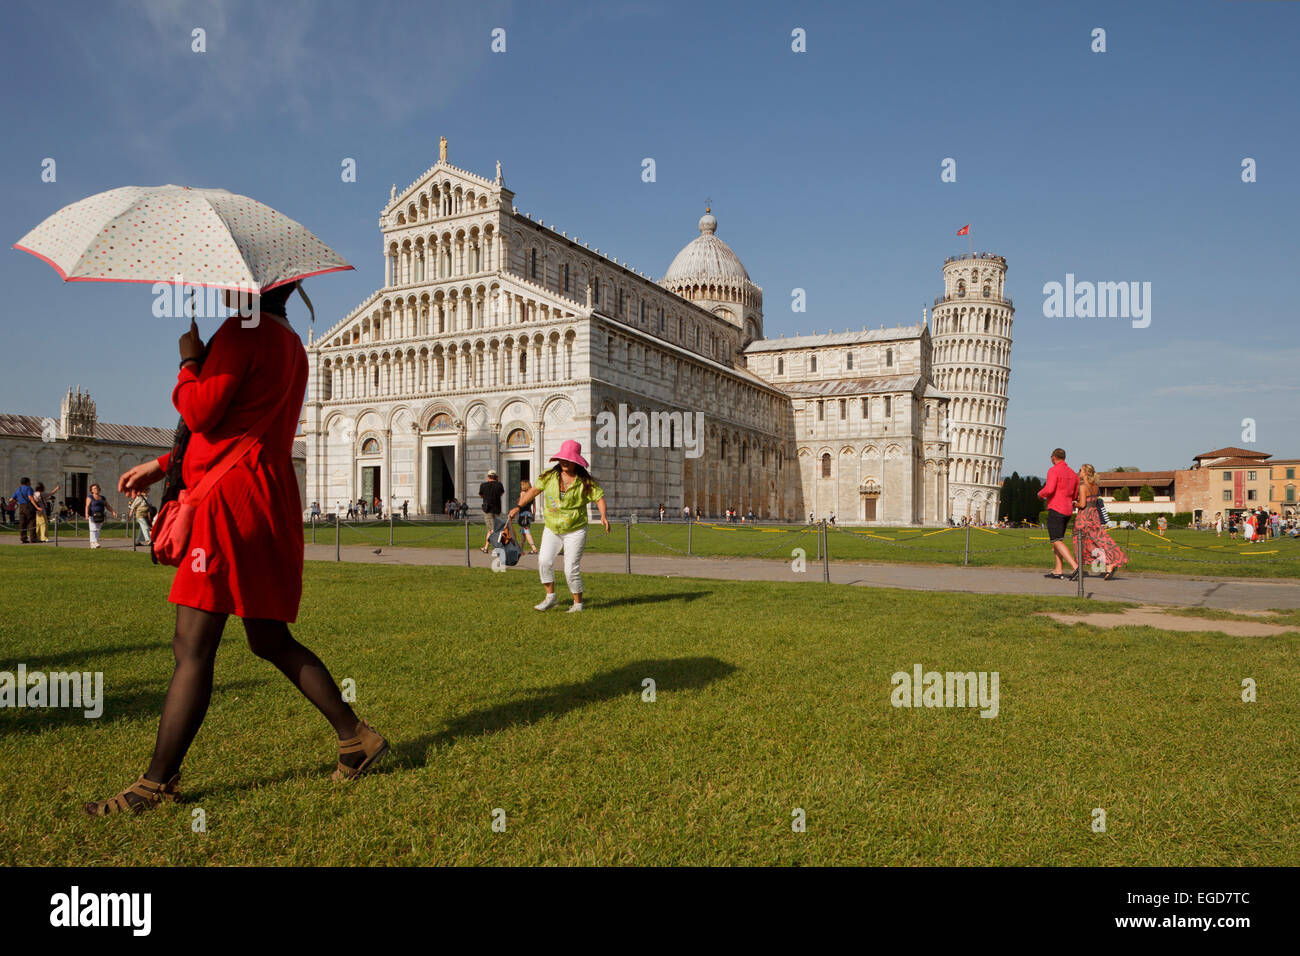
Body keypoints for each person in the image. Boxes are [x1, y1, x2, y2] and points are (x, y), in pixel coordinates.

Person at [84, 287, 387, 817]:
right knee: (268, 636)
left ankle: (153, 784)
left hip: (229, 506)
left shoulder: (242, 330)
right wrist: (162, 464)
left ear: (253, 285)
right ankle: (355, 737)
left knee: (193, 644)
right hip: (267, 500)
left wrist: (188, 361)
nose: (223, 287)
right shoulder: (292, 342)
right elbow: (244, 425)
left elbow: (202, 412)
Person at [508, 440, 609, 613]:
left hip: (575, 529)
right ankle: (550, 597)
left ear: (576, 462)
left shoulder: (584, 482)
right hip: (552, 528)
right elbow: (533, 491)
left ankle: (577, 604)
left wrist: (603, 516)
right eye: (562, 458)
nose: (564, 461)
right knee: (544, 561)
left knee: (570, 568)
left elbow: (599, 498)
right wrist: (518, 506)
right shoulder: (549, 476)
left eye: (568, 459)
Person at [1072, 465, 1127, 580]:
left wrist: (1073, 503)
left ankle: (1079, 569)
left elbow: (1082, 504)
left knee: (1082, 542)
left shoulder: (1083, 487)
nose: (1079, 472)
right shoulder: (1095, 486)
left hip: (1084, 517)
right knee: (1098, 541)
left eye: (1080, 470)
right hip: (1094, 515)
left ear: (1086, 473)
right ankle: (1109, 563)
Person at [1037, 447, 1080, 580]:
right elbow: (1075, 494)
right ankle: (1058, 570)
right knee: (1058, 541)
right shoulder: (1073, 473)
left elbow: (1049, 489)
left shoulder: (1053, 470)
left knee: (1055, 540)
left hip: (1056, 507)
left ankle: (1075, 567)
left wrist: (1040, 494)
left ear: (1053, 457)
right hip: (1067, 509)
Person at [85, 483, 119, 549]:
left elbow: (107, 506)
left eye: (97, 488)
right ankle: (94, 542)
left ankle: (93, 544)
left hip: (100, 515)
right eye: (94, 488)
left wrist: (113, 512)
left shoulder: (102, 498)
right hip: (92, 515)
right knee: (93, 529)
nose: (96, 489)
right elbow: (87, 506)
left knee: (97, 529)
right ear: (91, 490)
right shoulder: (90, 497)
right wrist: (86, 514)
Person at [478, 469, 505, 553]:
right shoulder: (499, 484)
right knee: (492, 529)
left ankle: (497, 548)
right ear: (495, 477)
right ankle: (486, 547)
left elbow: (481, 495)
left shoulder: (483, 485)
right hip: (497, 509)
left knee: (492, 529)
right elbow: (501, 494)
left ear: (488, 476)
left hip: (487, 509)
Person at [516, 479, 539, 554]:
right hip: (529, 513)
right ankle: (520, 548)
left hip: (523, 514)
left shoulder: (522, 493)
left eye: (522, 485)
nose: (521, 486)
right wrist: (533, 515)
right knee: (523, 533)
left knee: (526, 531)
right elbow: (534, 506)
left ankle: (534, 548)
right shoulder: (532, 494)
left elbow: (520, 503)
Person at [13, 477, 37, 543]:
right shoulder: (29, 488)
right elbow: (30, 498)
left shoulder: (18, 489)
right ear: (27, 482)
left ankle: (23, 538)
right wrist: (37, 507)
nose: (30, 483)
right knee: (32, 522)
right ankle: (33, 538)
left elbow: (11, 499)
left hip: (21, 507)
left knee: (22, 523)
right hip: (29, 506)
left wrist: (18, 501)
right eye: (29, 481)